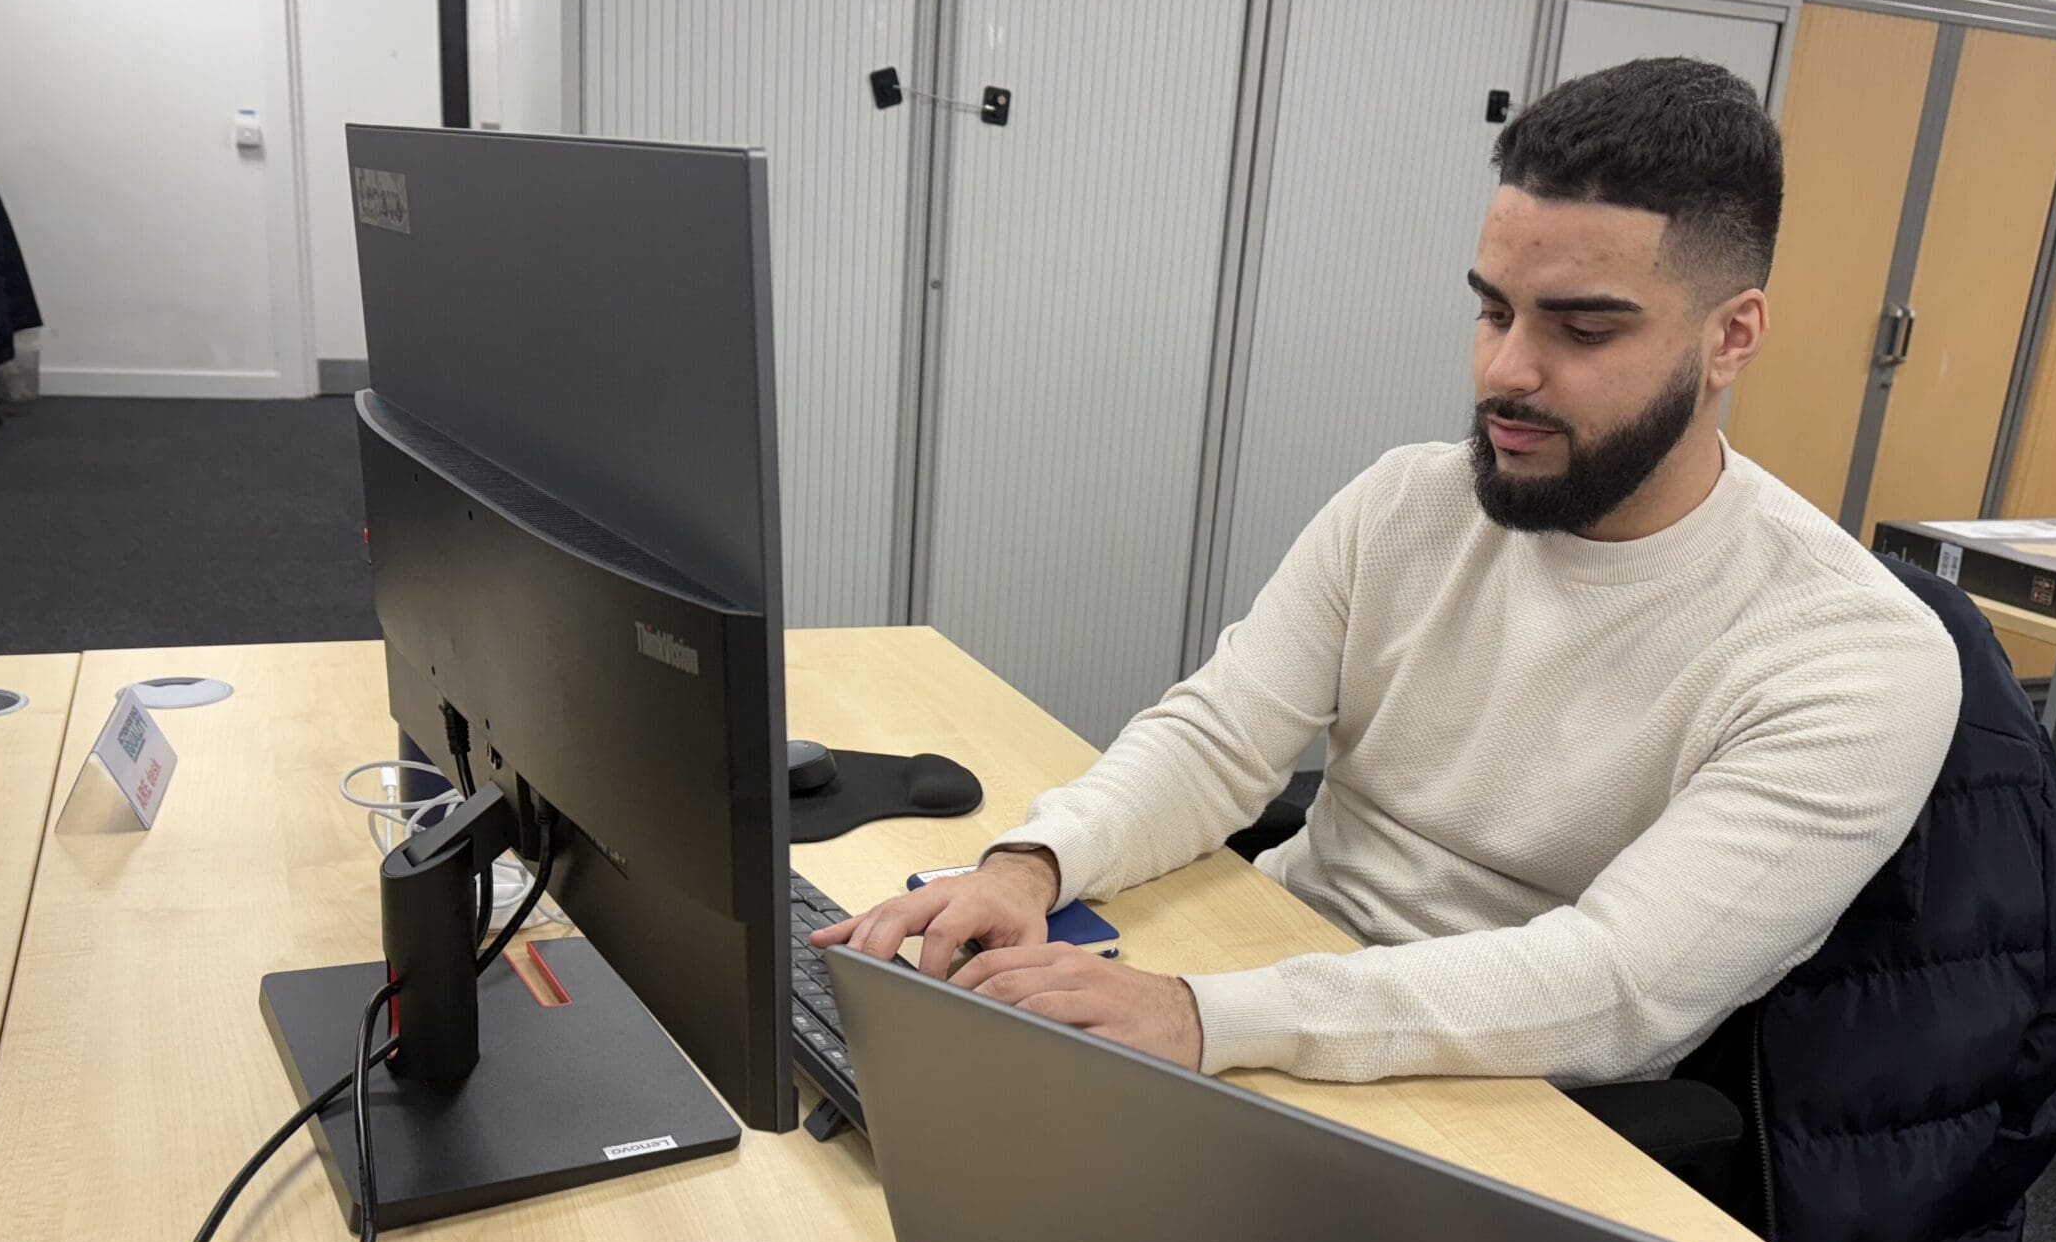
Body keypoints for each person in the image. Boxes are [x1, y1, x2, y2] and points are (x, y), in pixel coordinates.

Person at [815, 56, 1962, 1092]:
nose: (1507, 370)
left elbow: (1624, 990)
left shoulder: (1852, 654)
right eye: (1492, 309)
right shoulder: (1411, 503)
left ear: (1731, 337)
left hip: (1513, 1083)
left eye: (1583, 330)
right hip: (1269, 975)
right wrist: (1034, 862)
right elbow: (1221, 740)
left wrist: (1206, 1017)